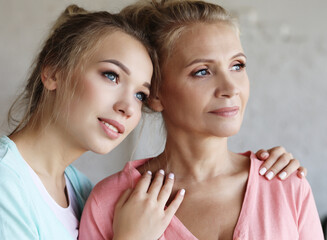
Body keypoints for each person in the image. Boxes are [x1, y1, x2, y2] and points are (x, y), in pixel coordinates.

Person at [0, 3, 307, 240]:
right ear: (53, 71)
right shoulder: (104, 198)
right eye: (111, 75)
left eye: (139, 94)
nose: (231, 88)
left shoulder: (77, 189)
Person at [79, 0, 324, 239]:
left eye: (237, 66)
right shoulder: (110, 201)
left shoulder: (286, 185)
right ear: (155, 94)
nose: (230, 88)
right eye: (202, 72)